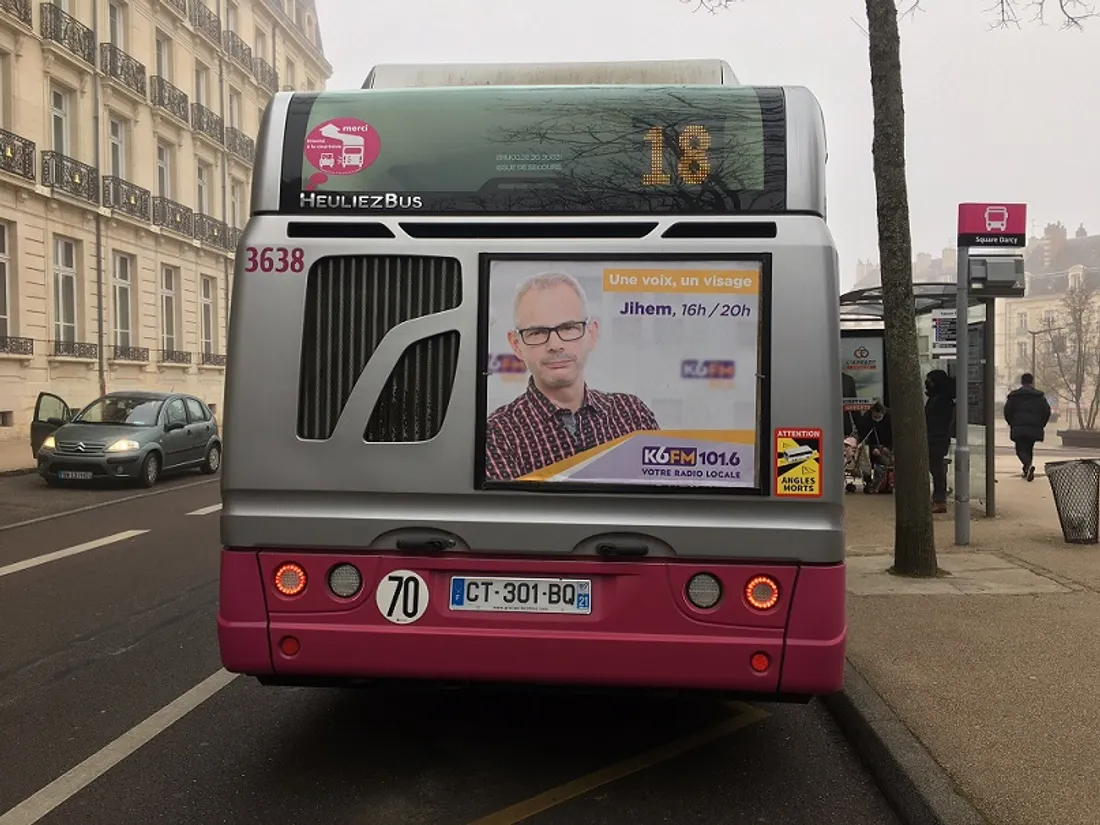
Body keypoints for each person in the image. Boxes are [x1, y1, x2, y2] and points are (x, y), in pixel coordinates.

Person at [484, 271, 659, 481]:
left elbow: (662, 505)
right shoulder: (497, 435)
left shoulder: (633, 415)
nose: (555, 345)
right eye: (537, 332)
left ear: (592, 334)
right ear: (516, 345)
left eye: (568, 328)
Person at [1003, 373, 1052, 482]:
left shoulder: (1014, 397)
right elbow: (1047, 412)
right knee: (1029, 448)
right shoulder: (1039, 397)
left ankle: (1027, 466)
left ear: (1022, 382)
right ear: (1032, 382)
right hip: (1034, 428)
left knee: (1020, 449)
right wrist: (1041, 424)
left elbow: (1007, 411)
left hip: (1018, 427)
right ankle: (1027, 470)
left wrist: (1012, 423)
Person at [924, 369, 955, 513]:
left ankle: (940, 499)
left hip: (936, 437)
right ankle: (939, 495)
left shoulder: (941, 400)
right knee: (936, 468)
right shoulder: (939, 398)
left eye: (929, 380)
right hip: (936, 437)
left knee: (936, 469)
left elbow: (937, 421)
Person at [855, 400, 893, 492]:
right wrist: (873, 447)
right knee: (865, 453)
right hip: (872, 444)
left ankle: (886, 482)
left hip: (887, 444)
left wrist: (888, 447)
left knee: (887, 460)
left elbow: (894, 435)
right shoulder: (866, 420)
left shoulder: (890, 418)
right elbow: (864, 436)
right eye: (875, 417)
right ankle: (868, 480)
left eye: (879, 417)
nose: (877, 418)